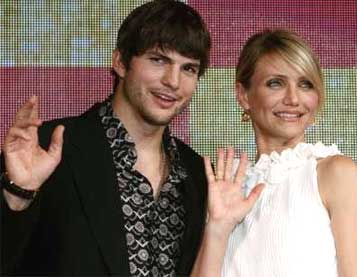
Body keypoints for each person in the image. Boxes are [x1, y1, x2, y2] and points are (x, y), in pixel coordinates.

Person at [0, 0, 211, 276]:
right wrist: (16, 197)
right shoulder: (48, 149)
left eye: (189, 69)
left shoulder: (197, 173)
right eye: (159, 60)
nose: (173, 81)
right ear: (121, 62)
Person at [191, 29, 357, 277]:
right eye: (275, 83)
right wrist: (218, 227)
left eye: (305, 84)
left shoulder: (336, 173)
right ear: (244, 95)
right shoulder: (225, 186)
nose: (293, 98)